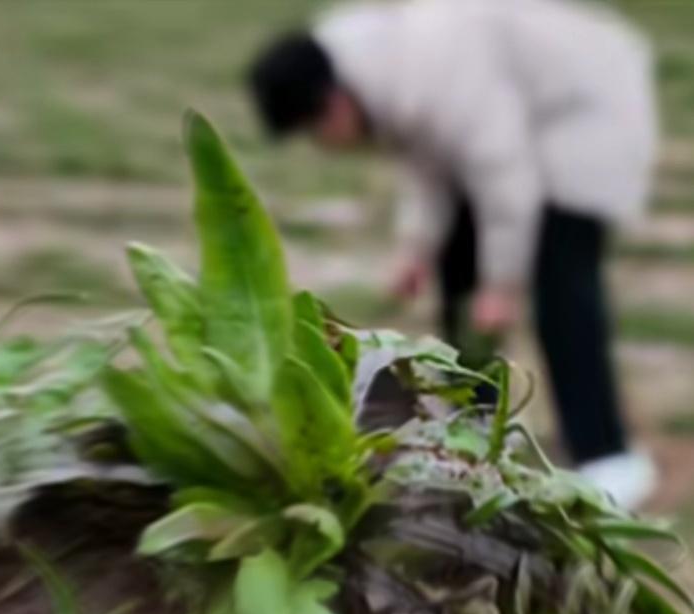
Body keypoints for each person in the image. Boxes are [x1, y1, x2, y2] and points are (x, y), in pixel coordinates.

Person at [248, 0, 660, 510]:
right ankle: (476, 442)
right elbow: (429, 157)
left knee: (562, 280)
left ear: (330, 104)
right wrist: (417, 249)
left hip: (582, 111)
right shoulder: (369, 70)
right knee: (459, 275)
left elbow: (501, 170)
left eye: (314, 133)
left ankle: (610, 458)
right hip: (513, 122)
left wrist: (502, 285)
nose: (321, 145)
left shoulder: (436, 70)